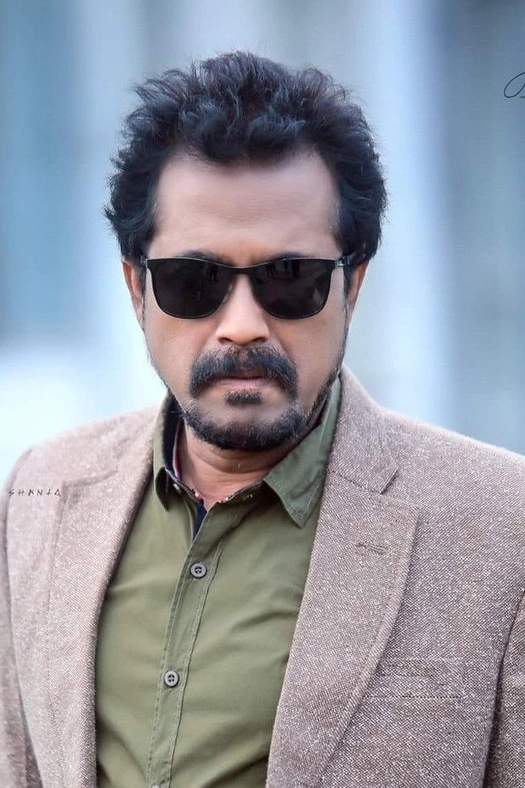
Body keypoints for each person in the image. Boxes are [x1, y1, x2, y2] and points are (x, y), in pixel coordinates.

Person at [1, 51, 524, 788]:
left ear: (352, 285)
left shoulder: (501, 527)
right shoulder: (42, 492)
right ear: (135, 288)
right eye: (194, 280)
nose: (242, 325)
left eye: (289, 278)